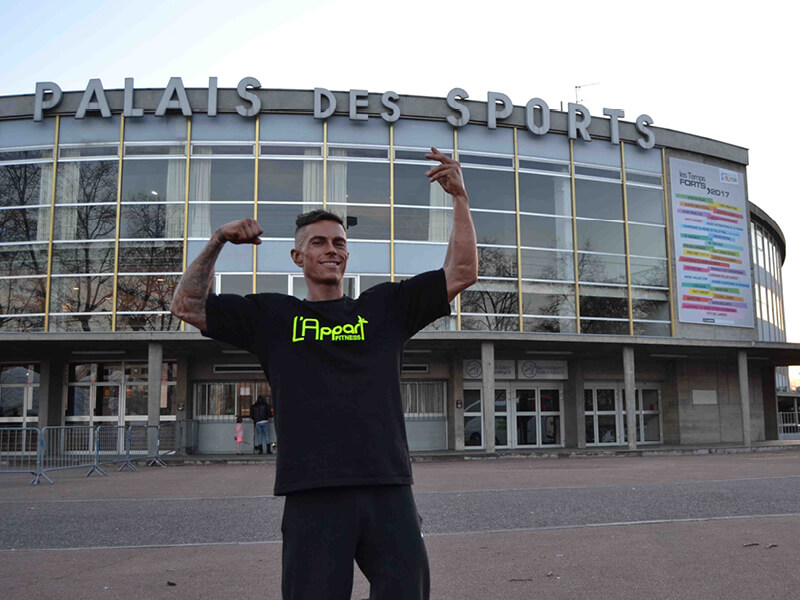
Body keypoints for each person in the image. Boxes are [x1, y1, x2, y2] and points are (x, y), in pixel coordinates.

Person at [170, 148, 478, 600]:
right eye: (318, 242)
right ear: (297, 256)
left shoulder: (385, 307)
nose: (331, 249)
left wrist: (459, 198)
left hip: (387, 488)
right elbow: (186, 306)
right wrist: (218, 240)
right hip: (313, 492)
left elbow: (462, 271)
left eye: (339, 243)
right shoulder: (272, 316)